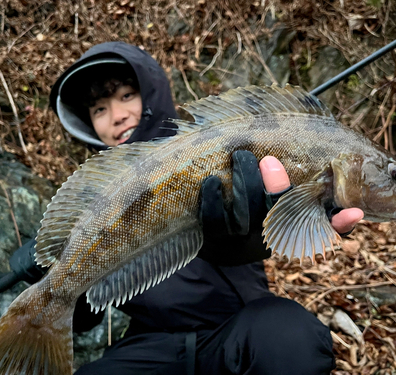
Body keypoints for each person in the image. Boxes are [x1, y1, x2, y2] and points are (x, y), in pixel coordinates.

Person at [49, 41, 364, 374]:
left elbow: (302, 196)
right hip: (149, 344)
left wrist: (266, 225)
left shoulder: (229, 146)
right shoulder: (91, 205)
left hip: (238, 327)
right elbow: (83, 319)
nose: (117, 115)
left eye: (127, 95)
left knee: (290, 340)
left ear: (152, 91)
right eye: (99, 109)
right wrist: (53, 274)